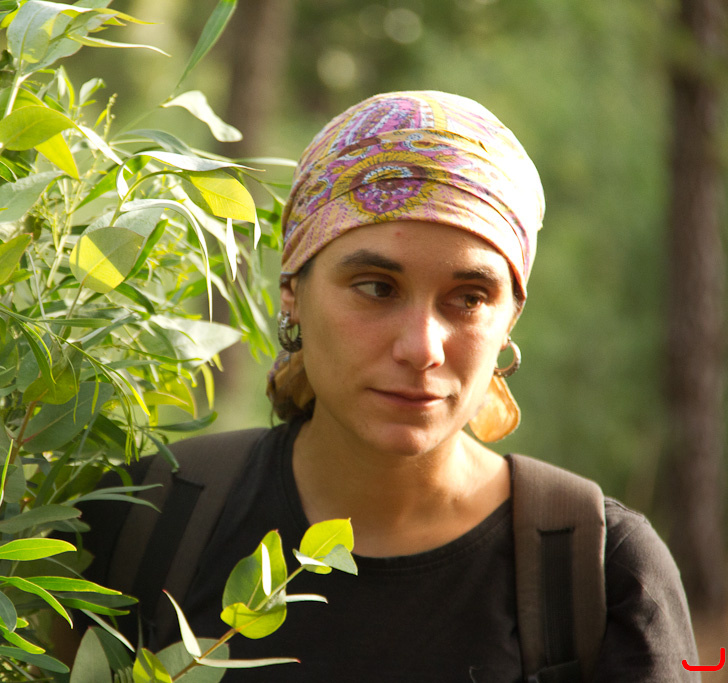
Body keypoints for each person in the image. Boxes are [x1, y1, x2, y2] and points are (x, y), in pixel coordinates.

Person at [75, 91, 699, 681]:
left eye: (469, 298)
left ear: (510, 317)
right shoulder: (146, 519)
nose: (422, 348)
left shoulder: (602, 573)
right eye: (377, 288)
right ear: (291, 291)